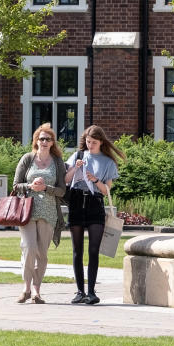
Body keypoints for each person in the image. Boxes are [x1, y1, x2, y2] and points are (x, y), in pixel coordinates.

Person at [64, 124, 125, 305]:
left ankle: (91, 292)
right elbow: (66, 180)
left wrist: (95, 180)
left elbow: (107, 190)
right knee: (77, 250)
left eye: (94, 143)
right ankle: (79, 291)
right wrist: (75, 168)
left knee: (93, 250)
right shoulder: (78, 155)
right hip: (76, 202)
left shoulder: (107, 162)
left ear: (101, 142)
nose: (90, 146)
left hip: (94, 204)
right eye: (88, 142)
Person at [11, 124, 66, 303]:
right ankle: (25, 288)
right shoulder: (27, 159)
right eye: (41, 138)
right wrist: (30, 185)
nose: (44, 142)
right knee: (29, 247)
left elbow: (62, 191)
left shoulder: (57, 162)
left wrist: (46, 188)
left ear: (52, 143)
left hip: (49, 212)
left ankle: (36, 291)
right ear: (36, 140)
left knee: (42, 252)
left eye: (47, 139)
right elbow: (15, 185)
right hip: (28, 211)